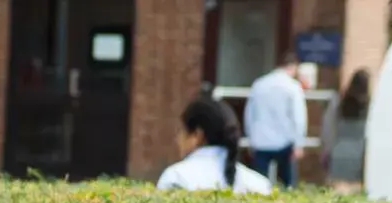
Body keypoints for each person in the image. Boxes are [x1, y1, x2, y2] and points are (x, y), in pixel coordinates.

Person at [158, 96, 274, 193]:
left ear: (197, 135)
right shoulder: (259, 184)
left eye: (181, 132)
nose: (177, 140)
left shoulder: (176, 178)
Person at [245, 58, 309, 187]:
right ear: (293, 67)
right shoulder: (292, 86)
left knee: (258, 186)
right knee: (288, 186)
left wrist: (250, 137)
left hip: (261, 141)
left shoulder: (259, 84)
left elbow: (249, 114)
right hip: (285, 142)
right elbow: (298, 117)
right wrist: (299, 142)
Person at [323, 68, 371, 187]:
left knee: (338, 188)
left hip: (340, 150)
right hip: (360, 152)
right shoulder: (370, 105)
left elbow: (328, 127)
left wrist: (326, 149)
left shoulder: (339, 101)